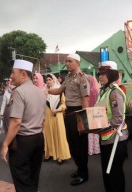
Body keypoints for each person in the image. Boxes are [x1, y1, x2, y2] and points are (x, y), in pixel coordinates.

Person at [0, 59, 46, 192]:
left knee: (21, 179)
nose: (11, 76)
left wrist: (5, 144)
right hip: (38, 138)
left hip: (23, 140)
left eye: (13, 73)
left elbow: (16, 121)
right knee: (33, 176)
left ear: (24, 74)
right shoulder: (40, 92)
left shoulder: (18, 92)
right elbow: (44, 119)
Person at [46, 53, 90, 186]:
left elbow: (85, 99)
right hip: (69, 112)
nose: (67, 63)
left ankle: (84, 174)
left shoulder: (82, 77)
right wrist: (46, 91)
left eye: (70, 61)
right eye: (66, 61)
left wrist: (82, 120)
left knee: (80, 145)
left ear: (78, 62)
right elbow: (59, 90)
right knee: (72, 143)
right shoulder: (69, 77)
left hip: (78, 112)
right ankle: (79, 168)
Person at [95, 60, 128, 192]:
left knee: (115, 175)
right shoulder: (104, 91)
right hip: (106, 138)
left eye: (104, 73)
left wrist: (98, 128)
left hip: (115, 140)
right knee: (107, 174)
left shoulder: (114, 92)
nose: (100, 76)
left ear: (112, 74)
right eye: (100, 73)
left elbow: (118, 118)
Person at [43, 73, 71, 165]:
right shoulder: (45, 91)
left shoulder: (59, 91)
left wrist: (58, 109)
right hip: (47, 116)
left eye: (49, 80)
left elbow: (64, 104)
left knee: (58, 135)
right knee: (48, 134)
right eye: (46, 80)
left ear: (53, 80)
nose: (48, 82)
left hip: (57, 115)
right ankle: (49, 154)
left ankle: (60, 156)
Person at [87, 75, 101, 155]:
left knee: (90, 132)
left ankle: (91, 150)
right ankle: (96, 149)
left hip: (90, 112)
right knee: (95, 132)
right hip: (96, 112)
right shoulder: (96, 90)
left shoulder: (90, 90)